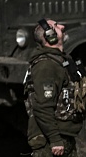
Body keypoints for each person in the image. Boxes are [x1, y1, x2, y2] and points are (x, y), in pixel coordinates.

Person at [24, 18, 85, 156]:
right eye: (56, 26)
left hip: (65, 136)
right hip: (50, 142)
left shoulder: (62, 61)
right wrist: (55, 139)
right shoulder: (46, 65)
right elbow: (41, 107)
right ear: (50, 36)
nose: (63, 27)